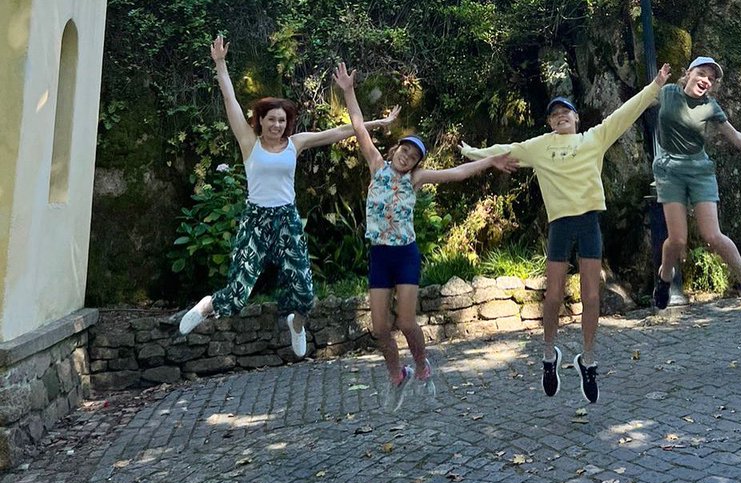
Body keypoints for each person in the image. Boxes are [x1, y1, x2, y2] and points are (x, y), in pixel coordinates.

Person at [459, 64, 671, 405]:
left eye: (565, 112)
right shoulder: (540, 146)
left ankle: (588, 359)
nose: (560, 117)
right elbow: (504, 149)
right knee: (553, 296)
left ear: (576, 118)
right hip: (560, 225)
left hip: (588, 222)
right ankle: (548, 355)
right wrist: (471, 152)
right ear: (549, 123)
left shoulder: (593, 138)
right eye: (554, 114)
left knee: (592, 296)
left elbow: (625, 113)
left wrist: (655, 85)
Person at [178, 36, 398, 355]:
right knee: (237, 293)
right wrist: (221, 63)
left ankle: (296, 324)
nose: (277, 125)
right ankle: (206, 306)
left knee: (305, 294)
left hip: (286, 219)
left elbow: (340, 132)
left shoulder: (296, 143)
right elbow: (230, 101)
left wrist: (378, 122)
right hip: (256, 220)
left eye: (282, 120)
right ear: (261, 121)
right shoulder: (249, 142)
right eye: (272, 120)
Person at [332, 62, 516, 411]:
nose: (407, 157)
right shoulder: (376, 166)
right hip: (379, 255)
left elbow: (457, 173)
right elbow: (358, 126)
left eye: (414, 156)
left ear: (417, 164)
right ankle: (396, 375)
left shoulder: (415, 180)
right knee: (380, 328)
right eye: (405, 150)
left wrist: (490, 161)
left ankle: (422, 367)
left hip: (405, 254)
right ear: (396, 150)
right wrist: (349, 90)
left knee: (405, 321)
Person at [651, 56, 741, 317]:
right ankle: (665, 278)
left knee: (713, 236)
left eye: (711, 79)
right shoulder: (668, 93)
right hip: (669, 170)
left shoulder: (710, 106)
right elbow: (639, 103)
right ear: (688, 74)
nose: (706, 80)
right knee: (677, 240)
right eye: (702, 73)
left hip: (699, 171)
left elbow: (733, 134)